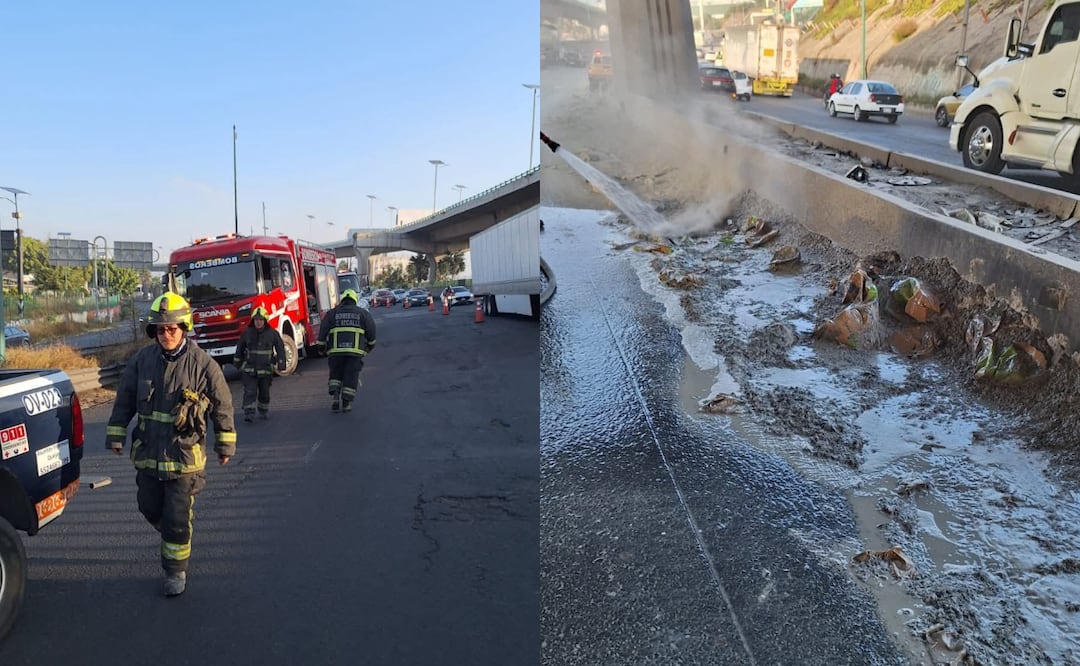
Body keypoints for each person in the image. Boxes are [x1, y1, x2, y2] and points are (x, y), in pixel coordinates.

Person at [106, 292, 237, 597]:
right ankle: (172, 534)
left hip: (184, 461)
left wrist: (225, 444)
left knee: (177, 519)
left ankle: (175, 572)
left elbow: (223, 405)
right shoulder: (142, 361)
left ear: (184, 327)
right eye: (160, 329)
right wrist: (116, 434)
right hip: (149, 457)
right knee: (148, 507)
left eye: (172, 328)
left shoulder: (203, 365)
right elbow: (125, 399)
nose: (166, 334)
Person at [317, 289, 377, 412]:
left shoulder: (332, 313)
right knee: (350, 376)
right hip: (354, 353)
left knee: (336, 373)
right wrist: (369, 346)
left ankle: (335, 396)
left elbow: (322, 331)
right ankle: (346, 403)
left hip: (335, 353)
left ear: (342, 300)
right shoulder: (363, 313)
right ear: (355, 300)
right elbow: (371, 332)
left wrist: (321, 348)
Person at [233, 306, 287, 421]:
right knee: (250, 391)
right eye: (256, 320)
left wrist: (281, 363)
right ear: (253, 321)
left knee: (264, 393)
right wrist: (237, 364)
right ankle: (249, 413)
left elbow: (280, 348)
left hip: (266, 370)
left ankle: (263, 411)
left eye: (260, 320)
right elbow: (240, 349)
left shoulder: (272, 334)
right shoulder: (247, 333)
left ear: (265, 320)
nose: (258, 322)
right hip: (249, 369)